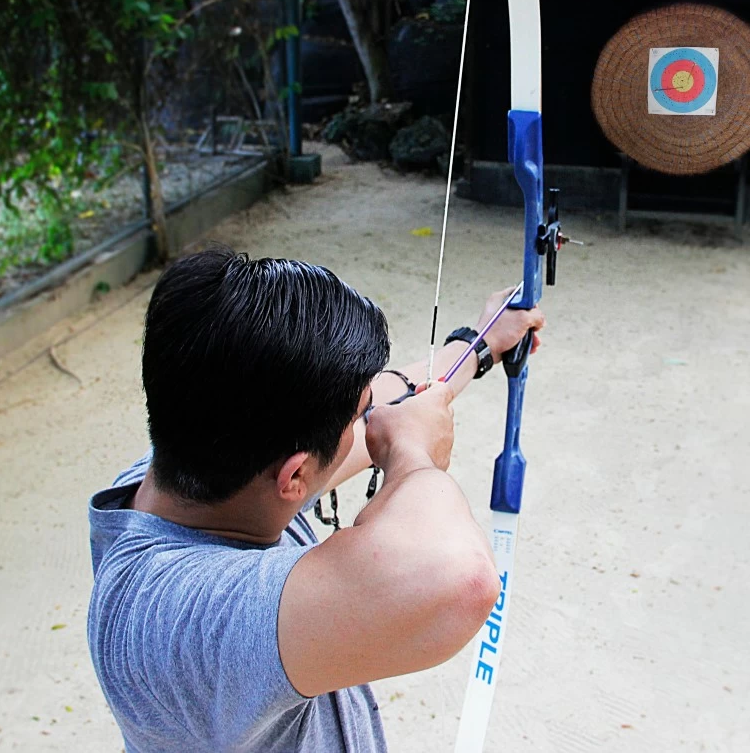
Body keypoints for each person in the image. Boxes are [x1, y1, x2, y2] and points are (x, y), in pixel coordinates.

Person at [87, 247, 546, 753]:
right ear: (295, 476)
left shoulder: (206, 456)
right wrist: (413, 456)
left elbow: (384, 396)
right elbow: (462, 579)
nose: (365, 425)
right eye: (357, 421)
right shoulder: (183, 624)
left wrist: (477, 345)